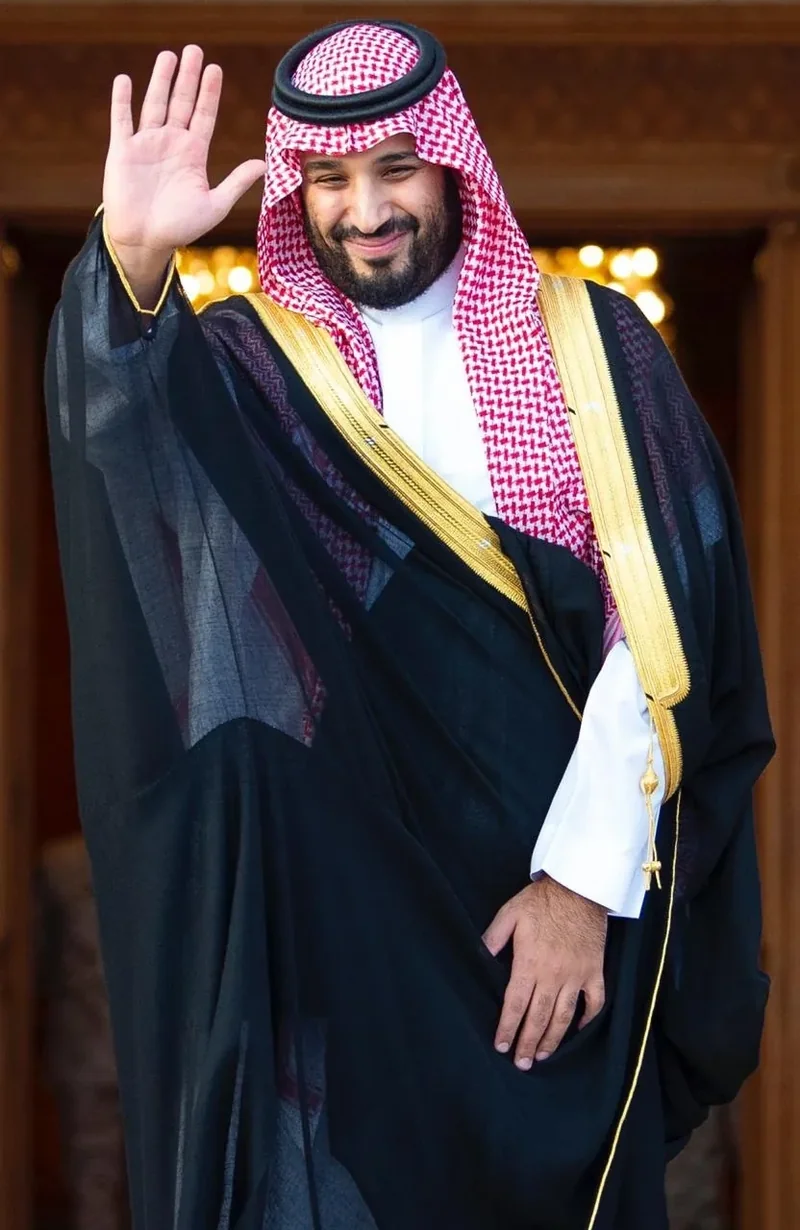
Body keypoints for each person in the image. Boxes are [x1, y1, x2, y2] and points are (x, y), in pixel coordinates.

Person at [45, 20, 774, 1230]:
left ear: (452, 164)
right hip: (348, 912)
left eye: (395, 169)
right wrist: (128, 265)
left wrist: (578, 886)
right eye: (328, 179)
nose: (366, 210)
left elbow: (661, 627)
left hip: (546, 914)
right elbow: (128, 470)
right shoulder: (252, 368)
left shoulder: (595, 348)